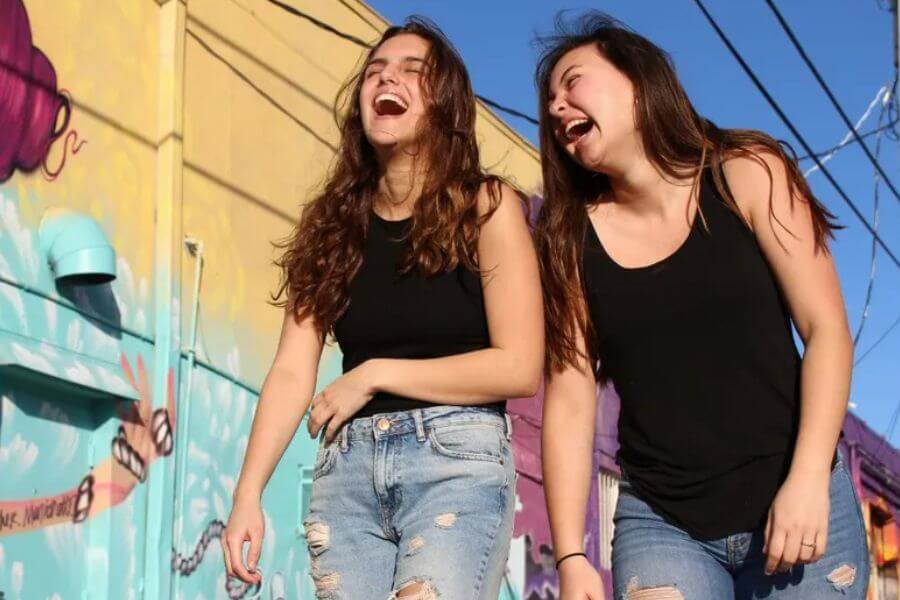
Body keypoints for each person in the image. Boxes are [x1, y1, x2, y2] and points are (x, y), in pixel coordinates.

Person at [535, 12, 868, 600]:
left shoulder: (748, 173)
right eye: (550, 101)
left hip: (794, 487)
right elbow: (569, 393)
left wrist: (809, 478)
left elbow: (827, 331)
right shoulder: (568, 243)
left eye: (573, 82)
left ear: (637, 79)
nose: (558, 107)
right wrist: (569, 555)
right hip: (663, 520)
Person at [222, 16, 543, 600]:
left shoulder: (486, 207)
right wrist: (248, 495)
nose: (385, 79)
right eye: (375, 71)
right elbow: (292, 371)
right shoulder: (330, 225)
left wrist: (373, 375)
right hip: (348, 472)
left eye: (411, 72)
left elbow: (519, 365)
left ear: (444, 104)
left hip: (456, 464)